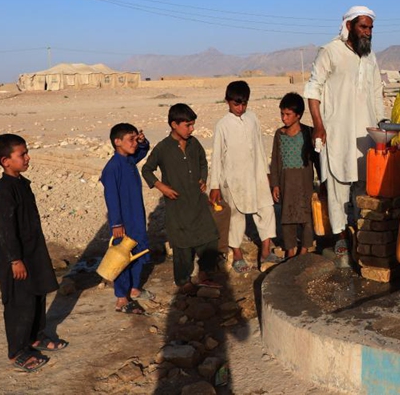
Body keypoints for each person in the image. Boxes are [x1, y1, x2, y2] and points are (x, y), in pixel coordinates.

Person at [303, 6, 386, 258]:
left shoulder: (370, 57)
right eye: (363, 27)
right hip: (336, 131)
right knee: (338, 184)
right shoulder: (330, 51)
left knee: (364, 183)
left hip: (365, 134)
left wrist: (381, 126)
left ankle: (362, 232)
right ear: (349, 26)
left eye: (371, 28)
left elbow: (376, 93)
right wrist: (318, 125)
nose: (368, 32)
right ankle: (340, 236)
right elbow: (314, 89)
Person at [0, 134, 66, 372]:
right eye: (21, 154)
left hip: (32, 252)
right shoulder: (3, 191)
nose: (27, 157)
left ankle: (36, 337)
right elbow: (6, 229)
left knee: (37, 294)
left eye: (26, 152)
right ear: (5, 161)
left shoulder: (21, 183)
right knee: (19, 303)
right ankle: (17, 351)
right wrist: (15, 260)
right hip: (16, 258)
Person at [142, 103, 221, 293]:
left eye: (193, 125)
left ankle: (204, 275)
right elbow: (146, 169)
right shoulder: (162, 148)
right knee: (182, 244)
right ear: (174, 124)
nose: (191, 129)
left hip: (197, 201)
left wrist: (203, 178)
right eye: (188, 125)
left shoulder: (194, 144)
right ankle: (183, 281)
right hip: (177, 206)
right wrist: (160, 186)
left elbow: (203, 162)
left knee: (209, 237)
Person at [209, 81, 280, 273]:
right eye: (236, 104)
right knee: (235, 216)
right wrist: (214, 185)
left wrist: (265, 171)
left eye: (244, 104)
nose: (240, 108)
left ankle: (266, 250)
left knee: (265, 209)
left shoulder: (253, 119)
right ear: (227, 102)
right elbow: (216, 157)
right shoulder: (222, 125)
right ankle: (237, 254)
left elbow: (259, 145)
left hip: (256, 174)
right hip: (233, 178)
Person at [100, 123, 153, 315]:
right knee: (121, 256)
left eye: (134, 139)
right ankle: (121, 297)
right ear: (117, 142)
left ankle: (134, 287)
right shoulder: (112, 168)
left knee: (138, 250)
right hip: (124, 220)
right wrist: (116, 223)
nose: (134, 143)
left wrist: (142, 141)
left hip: (137, 216)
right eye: (130, 140)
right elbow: (111, 198)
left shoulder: (129, 160)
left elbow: (143, 150)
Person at [269, 93, 320, 258]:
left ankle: (304, 249)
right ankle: (290, 250)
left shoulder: (309, 133)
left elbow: (317, 159)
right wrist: (275, 184)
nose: (284, 118)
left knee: (306, 217)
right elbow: (275, 161)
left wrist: (322, 182)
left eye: (288, 114)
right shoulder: (279, 134)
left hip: (304, 183)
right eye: (282, 114)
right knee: (287, 217)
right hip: (286, 183)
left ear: (298, 115)